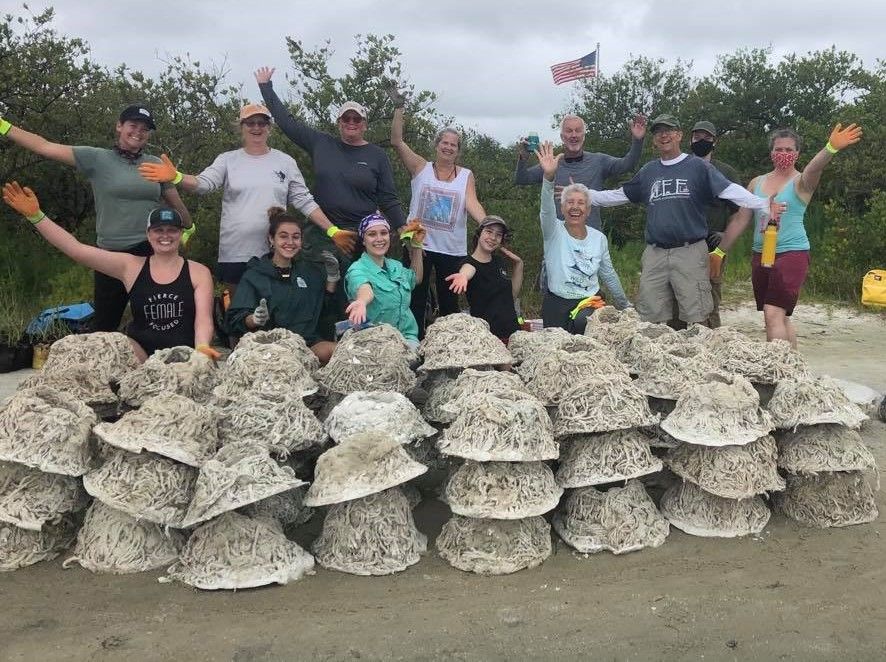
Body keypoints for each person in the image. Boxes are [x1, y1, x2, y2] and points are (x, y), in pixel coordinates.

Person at [0, 105, 193, 332]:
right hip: (110, 253)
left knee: (159, 320)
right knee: (105, 325)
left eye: (145, 128)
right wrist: (4, 126)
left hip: (150, 252)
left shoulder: (156, 163)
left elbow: (175, 203)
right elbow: (44, 147)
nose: (138, 132)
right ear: (119, 126)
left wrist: (187, 227)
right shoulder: (97, 158)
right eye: (133, 125)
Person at [137, 103, 354, 297]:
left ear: (269, 127)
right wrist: (176, 176)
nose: (256, 128)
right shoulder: (228, 160)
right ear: (242, 127)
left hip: (275, 251)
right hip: (235, 251)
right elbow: (203, 184)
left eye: (261, 123)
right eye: (250, 123)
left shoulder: (285, 161)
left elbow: (304, 200)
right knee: (238, 313)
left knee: (274, 308)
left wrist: (332, 230)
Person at [588, 114, 784, 328]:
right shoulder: (649, 171)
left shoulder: (698, 167)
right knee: (650, 316)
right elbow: (619, 195)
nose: (664, 135)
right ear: (654, 139)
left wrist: (763, 203)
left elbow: (729, 190)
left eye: (669, 130)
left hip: (690, 251)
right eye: (658, 132)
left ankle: (701, 357)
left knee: (697, 314)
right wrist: (585, 194)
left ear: (679, 135)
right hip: (655, 253)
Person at [2, 182, 215, 363]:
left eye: (172, 230)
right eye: (159, 230)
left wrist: (202, 348)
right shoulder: (130, 266)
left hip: (185, 354)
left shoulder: (198, 272)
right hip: (139, 352)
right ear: (148, 235)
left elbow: (203, 319)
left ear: (180, 234)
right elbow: (77, 250)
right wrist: (37, 217)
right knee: (103, 348)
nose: (165, 236)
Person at [716, 124, 862, 347]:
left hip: (791, 253)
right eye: (779, 149)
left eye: (789, 150)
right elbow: (741, 219)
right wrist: (719, 251)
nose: (783, 154)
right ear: (771, 153)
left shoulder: (802, 182)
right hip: (761, 254)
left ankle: (777, 371)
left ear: (797, 154)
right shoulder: (756, 182)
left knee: (772, 312)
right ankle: (793, 366)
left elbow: (814, 169)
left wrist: (830, 148)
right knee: (780, 315)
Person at [254, 67, 407, 248]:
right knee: (323, 272)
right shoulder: (321, 143)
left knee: (360, 275)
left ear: (364, 125)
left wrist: (403, 227)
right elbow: (288, 123)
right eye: (346, 118)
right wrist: (266, 87)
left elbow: (388, 199)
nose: (351, 122)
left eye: (356, 119)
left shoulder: (377, 155)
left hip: (362, 233)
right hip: (323, 230)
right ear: (339, 122)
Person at [389, 87, 488, 337]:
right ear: (436, 145)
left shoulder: (466, 175)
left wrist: (488, 224)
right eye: (444, 142)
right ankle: (413, 342)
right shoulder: (420, 167)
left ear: (458, 150)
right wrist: (399, 108)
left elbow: (472, 202)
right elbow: (397, 141)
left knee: (449, 302)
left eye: (453, 145)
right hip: (418, 243)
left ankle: (447, 344)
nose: (448, 147)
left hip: (451, 247)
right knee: (415, 296)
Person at [531, 142, 631, 333]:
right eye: (569, 202)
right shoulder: (553, 231)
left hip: (588, 302)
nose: (575, 207)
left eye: (581, 203)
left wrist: (624, 304)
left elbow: (608, 274)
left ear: (588, 210)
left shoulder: (599, 238)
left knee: (584, 325)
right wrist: (549, 177)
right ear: (562, 208)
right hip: (556, 302)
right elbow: (545, 209)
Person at [226, 208, 339, 364]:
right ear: (271, 239)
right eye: (283, 236)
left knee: (342, 352)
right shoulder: (255, 275)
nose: (290, 242)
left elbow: (325, 311)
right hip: (268, 349)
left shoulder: (309, 272)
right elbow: (234, 321)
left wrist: (332, 279)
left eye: (296, 237)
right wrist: (254, 319)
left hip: (306, 346)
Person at [514, 113, 646, 229]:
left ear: (584, 135)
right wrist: (523, 158)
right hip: (560, 240)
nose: (573, 135)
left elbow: (627, 164)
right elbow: (522, 179)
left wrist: (638, 141)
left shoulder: (599, 161)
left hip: (592, 238)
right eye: (569, 131)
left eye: (578, 131)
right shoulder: (551, 165)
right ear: (562, 136)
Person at [683, 120, 741, 328]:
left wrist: (726, 237)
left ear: (715, 142)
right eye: (697, 137)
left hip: (713, 248)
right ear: (690, 140)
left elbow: (740, 212)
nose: (702, 141)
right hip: (682, 246)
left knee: (710, 299)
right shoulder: (678, 168)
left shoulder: (726, 173)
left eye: (707, 138)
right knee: (679, 298)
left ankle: (712, 344)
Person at [344, 214, 425, 345]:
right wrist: (361, 302)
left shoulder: (395, 266)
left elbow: (416, 279)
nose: (379, 239)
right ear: (363, 240)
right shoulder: (357, 269)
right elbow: (364, 289)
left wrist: (416, 246)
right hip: (375, 342)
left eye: (383, 233)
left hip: (407, 338)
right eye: (372, 234)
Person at [445, 216, 523, 343]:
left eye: (498, 235)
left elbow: (511, 296)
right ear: (479, 233)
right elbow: (468, 270)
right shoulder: (469, 263)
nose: (493, 238)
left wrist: (519, 265)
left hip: (513, 335)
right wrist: (463, 276)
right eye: (489, 231)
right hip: (487, 339)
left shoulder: (500, 262)